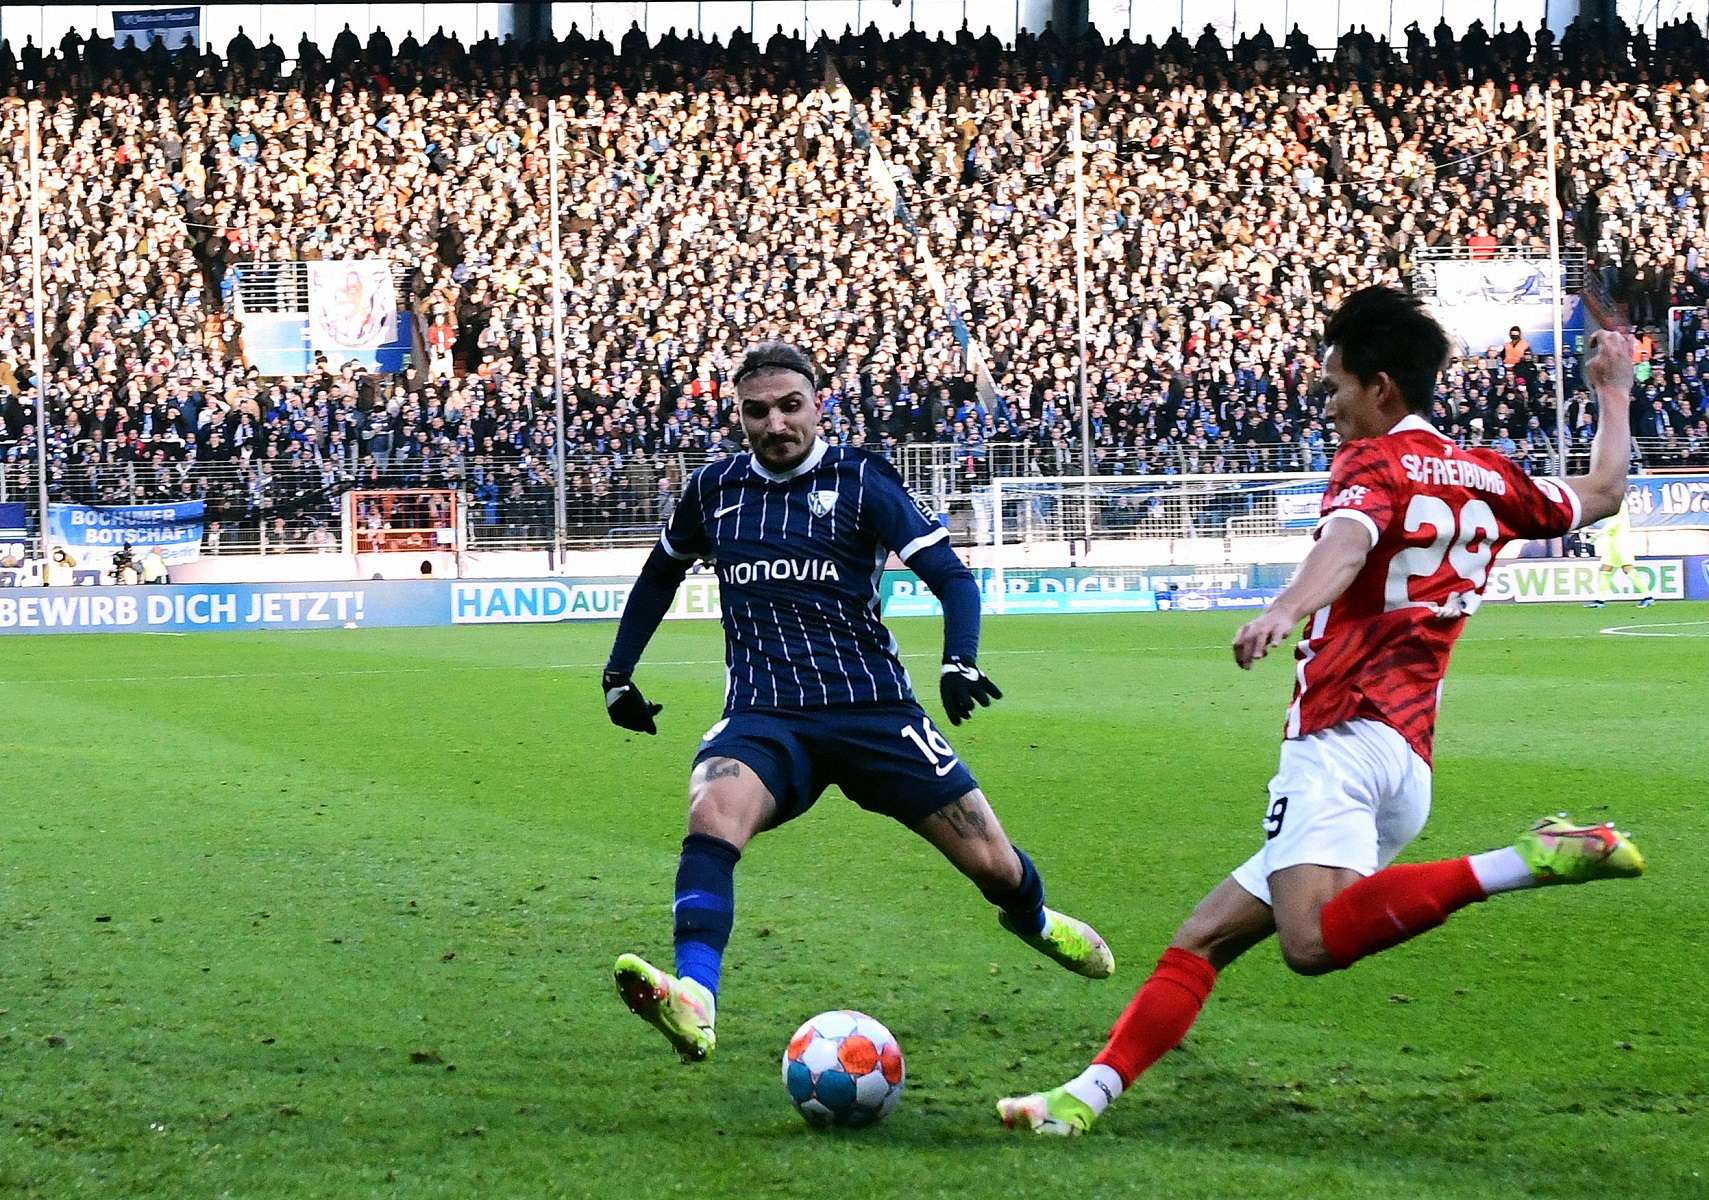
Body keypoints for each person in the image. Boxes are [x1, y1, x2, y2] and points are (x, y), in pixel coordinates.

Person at [996, 288, 1647, 1137]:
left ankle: (1528, 857)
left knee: (1308, 943)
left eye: (1335, 387)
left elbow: (1346, 543)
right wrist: (1614, 391)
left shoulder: (1375, 462)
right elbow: (1602, 491)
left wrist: (1286, 608)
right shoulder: (1489, 475)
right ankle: (1081, 1101)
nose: (1329, 407)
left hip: (1338, 740)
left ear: (1381, 388)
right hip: (1406, 760)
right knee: (1202, 939)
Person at [600, 339, 1113, 1063]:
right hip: (765, 714)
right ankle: (694, 996)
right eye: (757, 411)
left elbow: (953, 579)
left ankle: (1032, 920)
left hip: (873, 710)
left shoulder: (863, 478)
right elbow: (659, 576)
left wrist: (959, 661)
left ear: (819, 405)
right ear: (738, 416)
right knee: (711, 811)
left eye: (790, 406)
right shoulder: (714, 490)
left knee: (995, 866)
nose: (775, 423)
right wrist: (619, 674)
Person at [1585, 506, 1652, 607]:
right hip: (1611, 542)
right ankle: (1600, 600)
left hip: (1621, 542)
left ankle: (1648, 597)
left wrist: (1597, 535)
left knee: (1627, 568)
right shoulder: (1611, 504)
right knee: (1605, 568)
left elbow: (1615, 523)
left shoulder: (1620, 504)